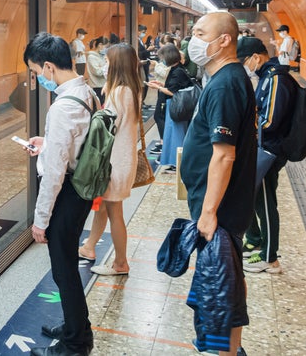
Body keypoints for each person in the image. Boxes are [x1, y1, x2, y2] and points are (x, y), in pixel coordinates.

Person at [180, 12, 256, 356]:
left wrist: (208, 212)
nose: (192, 39)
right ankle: (231, 348)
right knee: (225, 280)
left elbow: (224, 155)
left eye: (199, 32)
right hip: (220, 203)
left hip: (220, 209)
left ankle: (224, 351)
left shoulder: (225, 84)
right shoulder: (223, 78)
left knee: (221, 284)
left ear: (224, 39)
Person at [24, 33, 95, 356]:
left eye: (37, 73)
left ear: (49, 67)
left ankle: (75, 344)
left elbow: (53, 173)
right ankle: (73, 327)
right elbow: (71, 146)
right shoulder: (86, 92)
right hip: (80, 188)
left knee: (64, 271)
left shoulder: (62, 107)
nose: (39, 79)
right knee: (65, 267)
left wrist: (40, 220)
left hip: (66, 194)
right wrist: (47, 143)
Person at [79, 44, 142, 277]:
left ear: (116, 64)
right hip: (124, 160)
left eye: (107, 61)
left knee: (115, 212)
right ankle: (89, 247)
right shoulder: (132, 89)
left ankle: (120, 263)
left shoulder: (118, 93)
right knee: (103, 207)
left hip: (114, 162)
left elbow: (106, 128)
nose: (104, 64)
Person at [236, 37, 296, 273]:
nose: (245, 65)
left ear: (256, 57)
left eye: (245, 61)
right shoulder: (267, 76)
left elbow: (270, 120)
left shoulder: (277, 79)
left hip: (270, 150)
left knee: (265, 202)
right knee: (253, 196)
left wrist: (248, 126)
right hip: (263, 147)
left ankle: (270, 258)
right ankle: (255, 241)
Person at [147, 44, 193, 172]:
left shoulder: (177, 71)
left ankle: (176, 162)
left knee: (175, 134)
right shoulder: (178, 69)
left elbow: (173, 91)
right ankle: (174, 161)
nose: (162, 60)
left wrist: (158, 87)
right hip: (176, 106)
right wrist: (161, 84)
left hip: (176, 106)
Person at [86, 36, 109, 104]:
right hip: (97, 86)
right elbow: (97, 72)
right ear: (100, 45)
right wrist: (106, 67)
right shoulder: (91, 57)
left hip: (103, 85)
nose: (106, 49)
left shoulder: (102, 56)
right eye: (106, 47)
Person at [137, 25, 152, 108]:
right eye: (143, 32)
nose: (144, 34)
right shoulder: (136, 41)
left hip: (145, 64)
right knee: (143, 83)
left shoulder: (141, 40)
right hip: (141, 65)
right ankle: (141, 102)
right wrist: (147, 50)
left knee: (145, 82)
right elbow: (140, 53)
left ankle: (142, 101)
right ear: (138, 31)